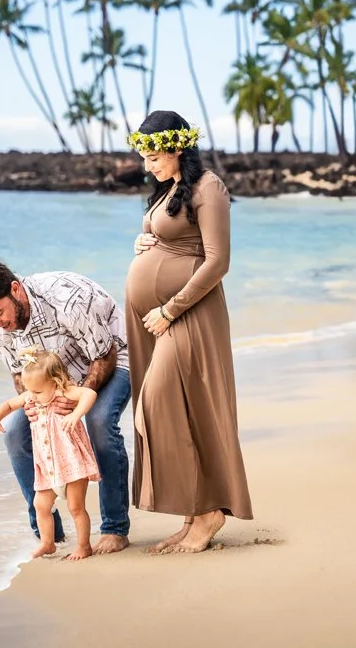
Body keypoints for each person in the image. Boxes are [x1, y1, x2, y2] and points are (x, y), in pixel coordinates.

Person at [125, 110, 253, 554]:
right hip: (157, 317)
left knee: (158, 404)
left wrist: (170, 309)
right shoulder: (170, 188)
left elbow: (217, 262)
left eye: (154, 157)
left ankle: (210, 512)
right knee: (178, 411)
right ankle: (193, 513)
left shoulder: (208, 187)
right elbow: (172, 240)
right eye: (144, 158)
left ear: (178, 148)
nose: (148, 166)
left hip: (188, 313)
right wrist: (144, 241)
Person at [0, 258, 132, 554]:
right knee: (16, 434)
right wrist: (33, 406)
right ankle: (49, 535)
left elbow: (104, 355)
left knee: (99, 422)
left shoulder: (67, 299)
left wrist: (75, 400)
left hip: (111, 359)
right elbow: (19, 373)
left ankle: (115, 528)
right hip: (50, 381)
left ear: (15, 289)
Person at [0, 347, 99, 560]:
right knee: (40, 505)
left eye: (37, 392)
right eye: (29, 391)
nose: (31, 397)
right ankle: (48, 543)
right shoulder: (31, 396)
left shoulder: (63, 392)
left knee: (75, 507)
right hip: (47, 467)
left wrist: (76, 414)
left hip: (71, 463)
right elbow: (9, 404)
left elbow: (89, 393)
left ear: (55, 382)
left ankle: (84, 546)